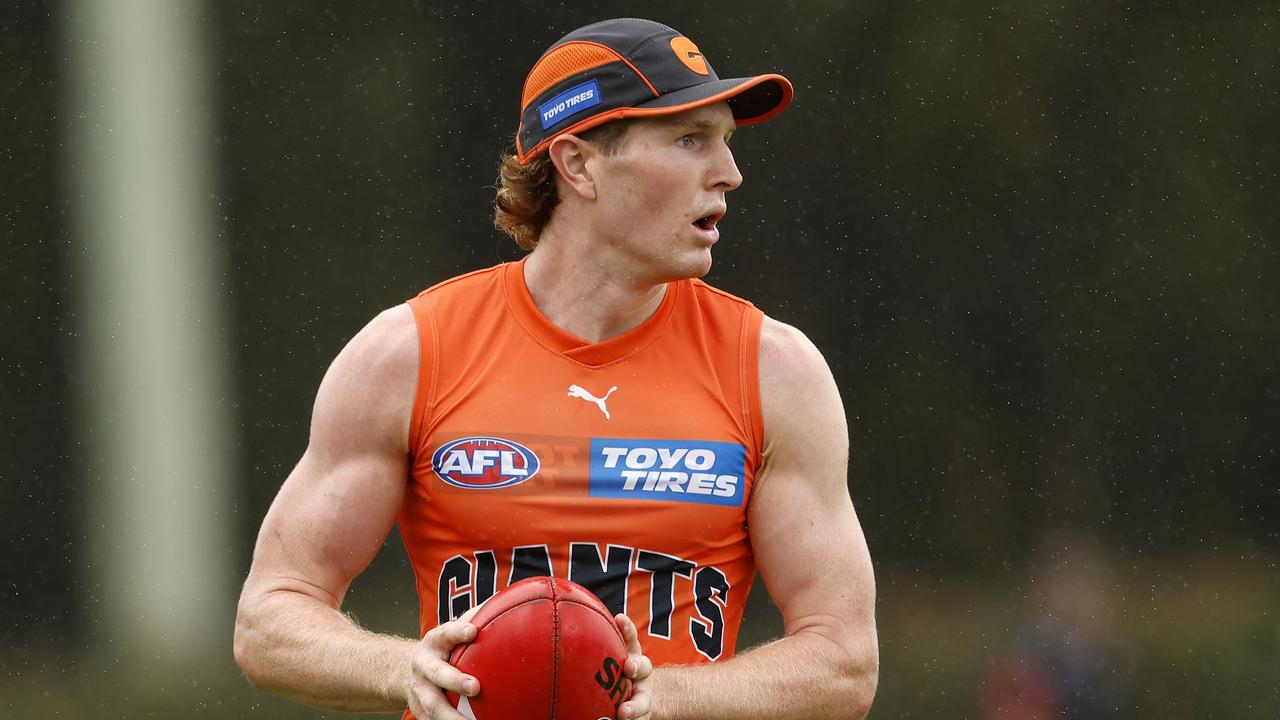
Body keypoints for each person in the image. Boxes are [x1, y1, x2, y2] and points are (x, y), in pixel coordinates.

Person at [234, 17, 878, 720]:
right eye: (690, 140)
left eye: (724, 141)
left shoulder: (773, 370)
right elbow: (270, 619)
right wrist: (403, 668)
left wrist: (668, 695)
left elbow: (844, 661)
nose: (729, 172)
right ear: (577, 164)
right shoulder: (410, 353)